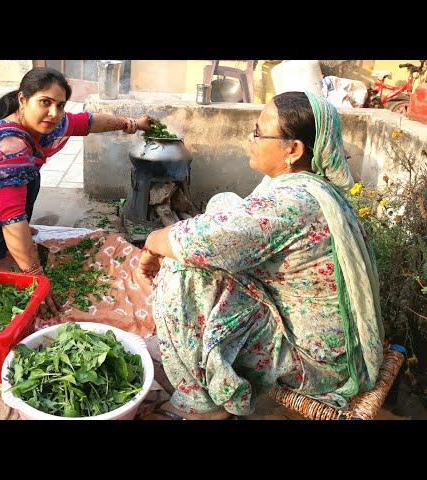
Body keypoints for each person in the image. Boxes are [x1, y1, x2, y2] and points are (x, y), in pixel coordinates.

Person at [137, 91, 384, 420]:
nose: (251, 138)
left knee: (182, 272)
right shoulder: (312, 185)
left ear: (293, 150)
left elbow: (198, 243)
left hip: (317, 361)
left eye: (258, 132)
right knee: (224, 204)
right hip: (325, 338)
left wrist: (152, 242)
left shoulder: (292, 202)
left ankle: (202, 406)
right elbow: (230, 225)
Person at [0, 67, 156, 315]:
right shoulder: (11, 146)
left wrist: (131, 123)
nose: (54, 113)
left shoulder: (42, 123)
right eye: (45, 102)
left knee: (26, 177)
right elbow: (12, 218)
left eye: (61, 105)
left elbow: (85, 122)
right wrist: (35, 277)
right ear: (23, 99)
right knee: (17, 180)